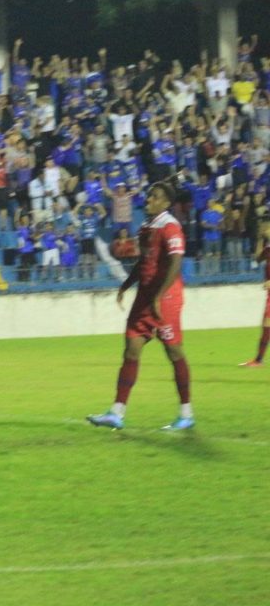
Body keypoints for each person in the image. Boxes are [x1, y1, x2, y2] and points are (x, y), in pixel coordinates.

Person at [88, 181, 194, 431]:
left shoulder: (170, 227)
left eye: (154, 197)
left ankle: (186, 413)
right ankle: (116, 413)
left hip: (164, 299)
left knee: (174, 352)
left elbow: (177, 261)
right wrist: (126, 285)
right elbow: (144, 262)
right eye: (148, 196)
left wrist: (159, 296)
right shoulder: (147, 227)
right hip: (145, 298)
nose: (148, 200)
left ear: (166, 203)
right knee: (131, 351)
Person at [239, 219, 270, 367]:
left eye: (265, 227)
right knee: (266, 326)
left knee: (267, 325)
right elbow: (258, 259)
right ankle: (258, 360)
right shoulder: (268, 249)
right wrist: (260, 240)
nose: (263, 229)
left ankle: (258, 360)